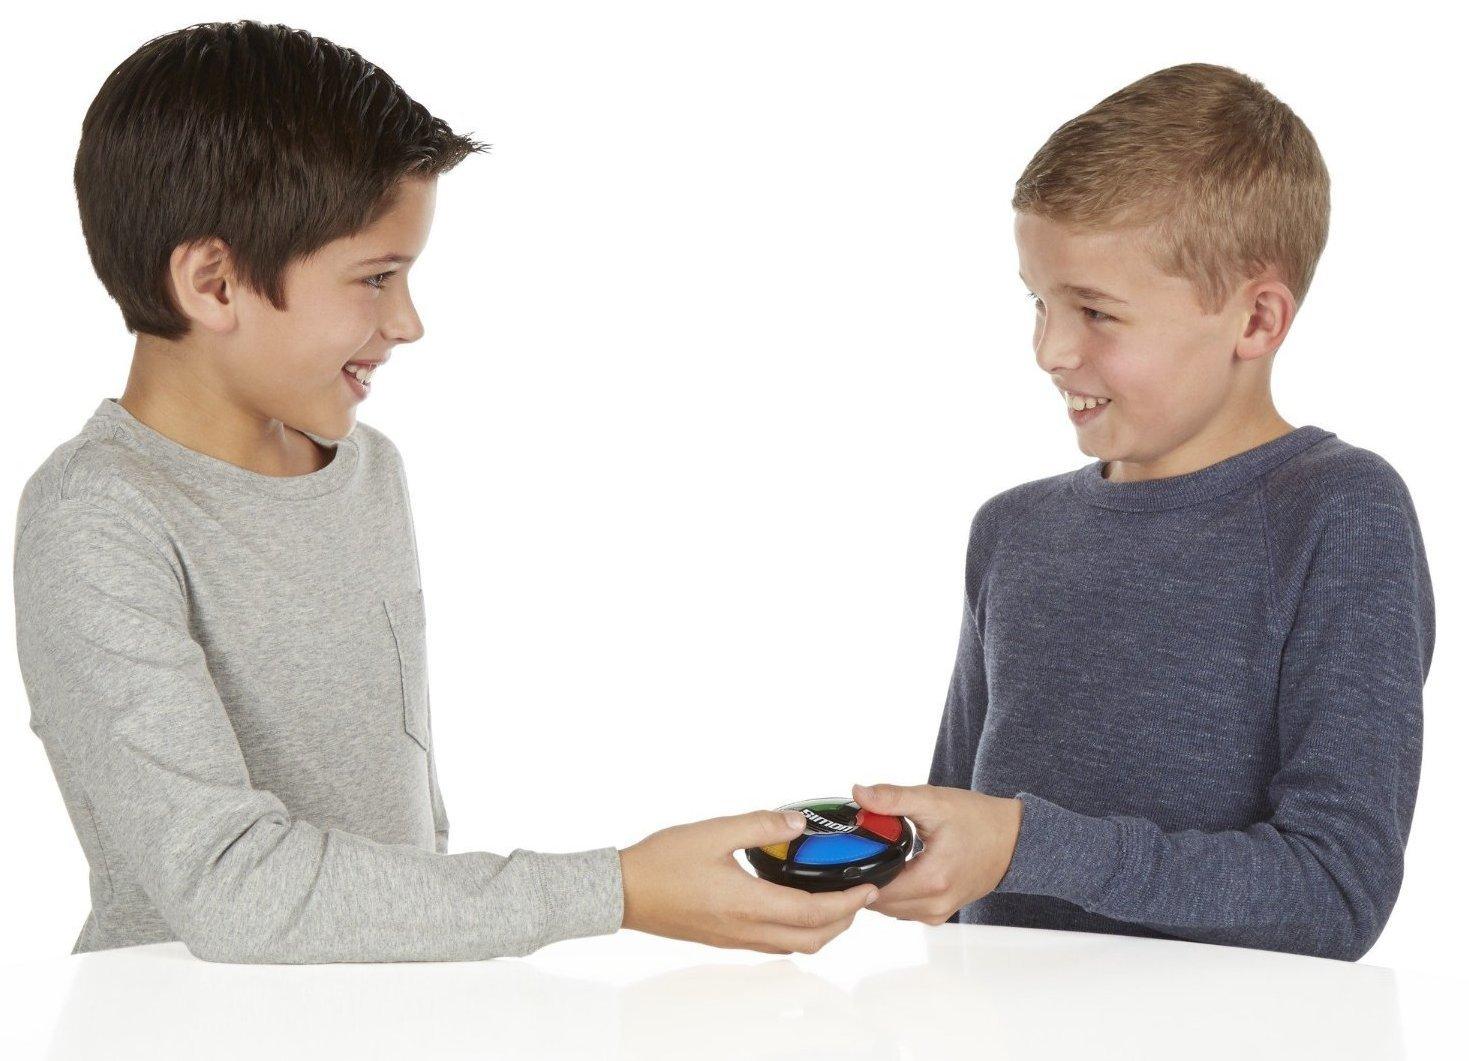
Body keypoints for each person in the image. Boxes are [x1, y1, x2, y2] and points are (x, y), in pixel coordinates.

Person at [11, 19, 877, 964]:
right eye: (376, 277)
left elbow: (400, 831)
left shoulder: (366, 469)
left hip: (390, 1010)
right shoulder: (96, 521)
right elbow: (232, 886)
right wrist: (619, 889)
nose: (407, 321)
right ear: (214, 282)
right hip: (185, 1024)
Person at [852, 63, 1435, 962]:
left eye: (1095, 311)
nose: (1049, 349)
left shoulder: (1338, 514)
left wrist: (1024, 843)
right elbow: (963, 865)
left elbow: (1334, 892)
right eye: (1038, 300)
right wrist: (877, 862)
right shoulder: (1011, 532)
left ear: (1255, 321)